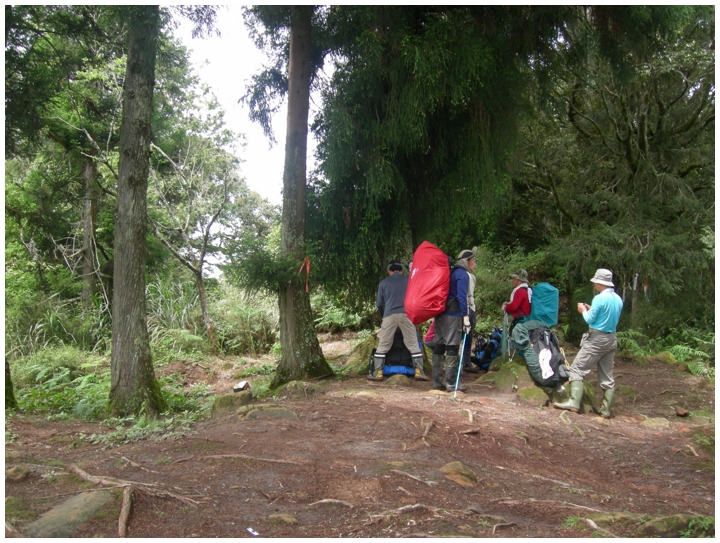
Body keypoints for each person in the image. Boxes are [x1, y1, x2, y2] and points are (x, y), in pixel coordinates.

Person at [553, 269, 623, 417]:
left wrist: (583, 310)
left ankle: (573, 402)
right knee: (607, 375)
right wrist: (592, 310)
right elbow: (606, 316)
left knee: (577, 369)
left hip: (597, 339)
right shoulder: (617, 298)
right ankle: (606, 409)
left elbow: (590, 320)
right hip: (611, 338)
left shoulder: (599, 298)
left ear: (599, 283)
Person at [370, 261, 428, 381]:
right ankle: (419, 372)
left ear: (389, 271)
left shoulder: (383, 283)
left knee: (383, 344)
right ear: (401, 271)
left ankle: (378, 373)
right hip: (406, 314)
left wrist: (383, 315)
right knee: (413, 344)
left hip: (389, 315)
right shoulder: (409, 281)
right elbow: (416, 299)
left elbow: (379, 304)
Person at [432, 247, 476, 392]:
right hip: (453, 315)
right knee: (452, 347)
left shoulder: (449, 272)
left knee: (439, 346)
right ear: (466, 261)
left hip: (440, 315)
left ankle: (437, 382)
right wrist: (465, 317)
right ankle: (451, 384)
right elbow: (461, 297)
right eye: (473, 261)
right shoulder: (462, 275)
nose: (474, 264)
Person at [502, 269, 532, 335]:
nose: (512, 280)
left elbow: (513, 307)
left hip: (521, 321)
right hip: (524, 320)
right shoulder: (525, 290)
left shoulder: (520, 291)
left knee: (518, 342)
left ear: (519, 280)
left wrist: (505, 307)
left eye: (514, 278)